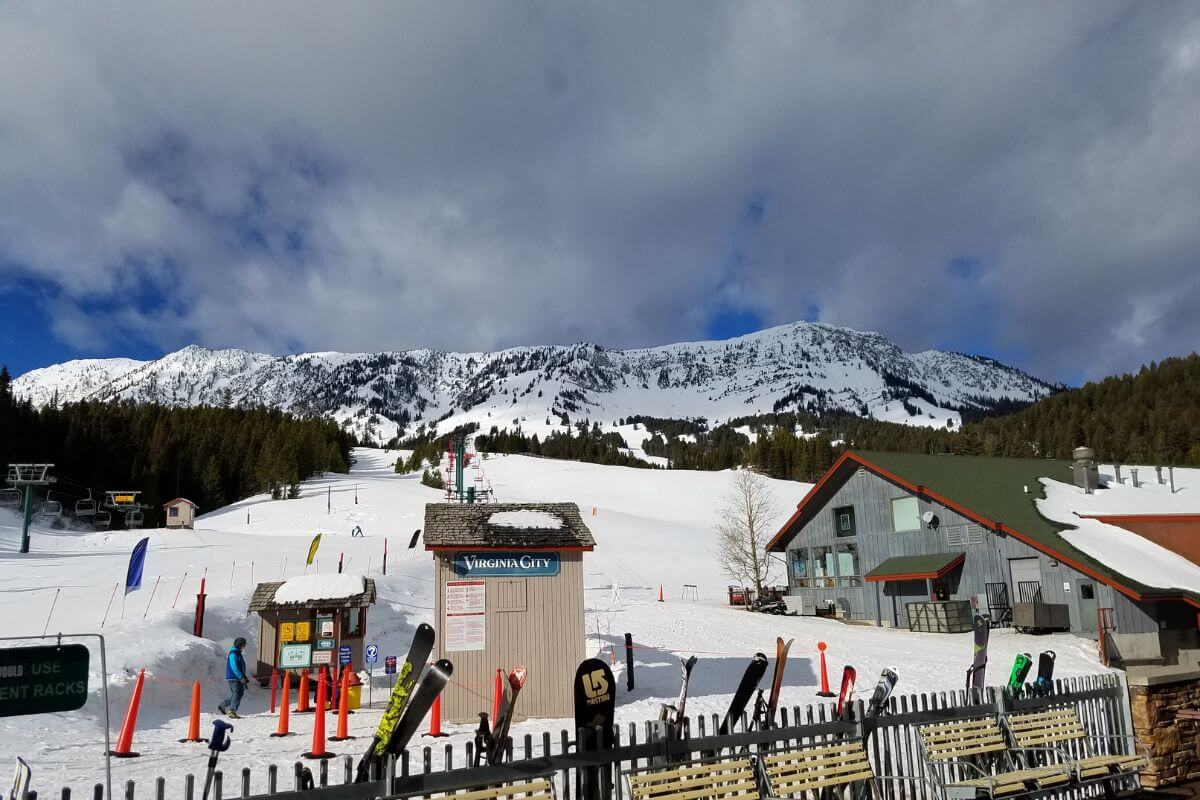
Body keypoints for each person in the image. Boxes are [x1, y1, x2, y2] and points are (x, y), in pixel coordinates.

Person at [218, 637, 249, 718]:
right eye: (244, 645)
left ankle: (223, 705)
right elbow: (234, 666)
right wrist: (241, 676)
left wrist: (243, 676)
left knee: (237, 694)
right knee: (237, 694)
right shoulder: (233, 653)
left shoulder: (238, 653)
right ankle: (232, 711)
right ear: (240, 645)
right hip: (234, 678)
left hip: (238, 677)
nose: (244, 646)